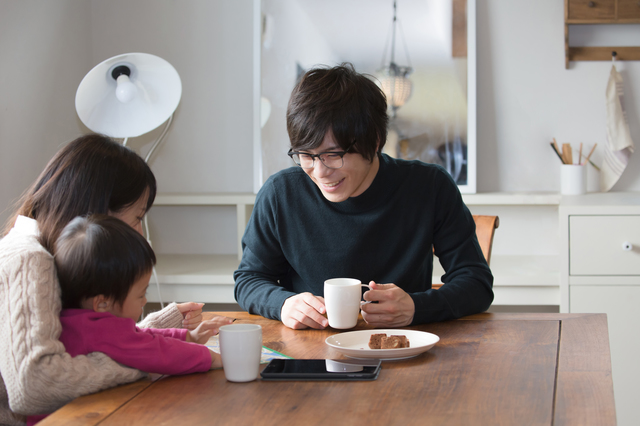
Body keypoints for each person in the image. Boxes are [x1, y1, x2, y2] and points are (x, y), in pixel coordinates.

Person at [234, 63, 493, 330]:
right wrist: (283, 304)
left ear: (376, 140)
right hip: (311, 350)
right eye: (306, 155)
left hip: (402, 347)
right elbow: (249, 279)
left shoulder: (429, 187)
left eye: (334, 154)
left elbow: (476, 282)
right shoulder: (281, 194)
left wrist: (417, 307)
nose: (320, 171)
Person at [0, 133, 233, 426]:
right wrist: (144, 363)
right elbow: (34, 385)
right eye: (136, 217)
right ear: (95, 214)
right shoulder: (30, 259)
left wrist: (155, 328)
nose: (140, 234)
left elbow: (81, 344)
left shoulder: (42, 249)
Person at [27, 215, 223, 425]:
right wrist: (213, 359)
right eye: (140, 295)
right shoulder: (102, 330)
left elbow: (139, 335)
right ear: (102, 304)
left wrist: (186, 336)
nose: (145, 300)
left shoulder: (73, 318)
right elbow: (157, 352)